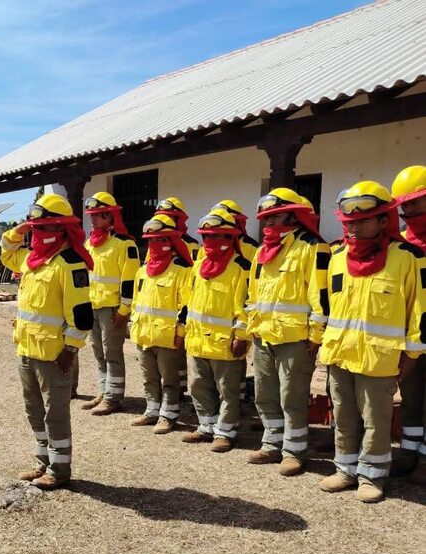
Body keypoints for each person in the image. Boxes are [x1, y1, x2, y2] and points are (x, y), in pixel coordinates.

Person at [318, 181, 426, 502]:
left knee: (376, 421)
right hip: (339, 354)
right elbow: (329, 306)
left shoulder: (408, 257)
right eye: (348, 221)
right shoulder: (337, 256)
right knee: (344, 417)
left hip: (379, 359)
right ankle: (345, 469)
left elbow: (419, 311)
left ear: (383, 220)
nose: (353, 227)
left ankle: (372, 476)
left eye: (363, 221)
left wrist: (412, 355)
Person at [0, 194, 94, 490]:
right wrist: (19, 230)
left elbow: (81, 316)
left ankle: (59, 470)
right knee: (34, 411)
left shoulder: (70, 264)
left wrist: (70, 349)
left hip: (54, 354)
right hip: (26, 349)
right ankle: (42, 461)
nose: (38, 232)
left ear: (62, 228)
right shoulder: (31, 259)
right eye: (35, 227)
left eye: (44, 227)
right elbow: (6, 252)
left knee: (56, 414)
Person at [245, 188, 330, 476]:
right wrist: (253, 327)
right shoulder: (262, 251)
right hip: (264, 335)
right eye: (265, 219)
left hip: (296, 338)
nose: (268, 223)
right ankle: (272, 443)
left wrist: (316, 335)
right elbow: (253, 294)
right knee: (265, 394)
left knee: (292, 397)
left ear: (294, 216)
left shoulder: (313, 247)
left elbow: (320, 297)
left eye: (276, 217)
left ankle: (294, 451)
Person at [181, 208, 251, 452]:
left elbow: (247, 305)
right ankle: (206, 426)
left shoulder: (241, 267)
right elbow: (189, 300)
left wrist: (241, 335)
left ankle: (225, 432)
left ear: (229, 237)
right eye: (206, 236)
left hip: (225, 343)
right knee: (198, 386)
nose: (209, 241)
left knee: (227, 391)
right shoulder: (199, 265)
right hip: (197, 340)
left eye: (215, 236)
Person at [129, 214, 194, 433]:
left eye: (161, 239)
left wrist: (180, 332)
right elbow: (136, 301)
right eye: (151, 240)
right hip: (143, 334)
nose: (155, 244)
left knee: (169, 379)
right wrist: (133, 325)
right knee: (149, 377)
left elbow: (186, 306)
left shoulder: (182, 270)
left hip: (168, 336)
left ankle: (169, 415)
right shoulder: (142, 271)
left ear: (171, 241)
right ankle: (152, 410)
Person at [81, 192, 140, 416]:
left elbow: (130, 281)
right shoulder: (90, 243)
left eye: (98, 214)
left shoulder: (125, 244)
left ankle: (113, 398)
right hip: (93, 306)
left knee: (112, 352)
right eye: (91, 214)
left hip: (112, 308)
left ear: (111, 215)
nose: (93, 218)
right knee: (98, 351)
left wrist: (124, 310)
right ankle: (103, 391)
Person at [390, 165, 426, 484]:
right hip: (411, 335)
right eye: (404, 205)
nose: (408, 211)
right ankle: (409, 452)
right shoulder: (399, 243)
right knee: (411, 396)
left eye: (415, 202)